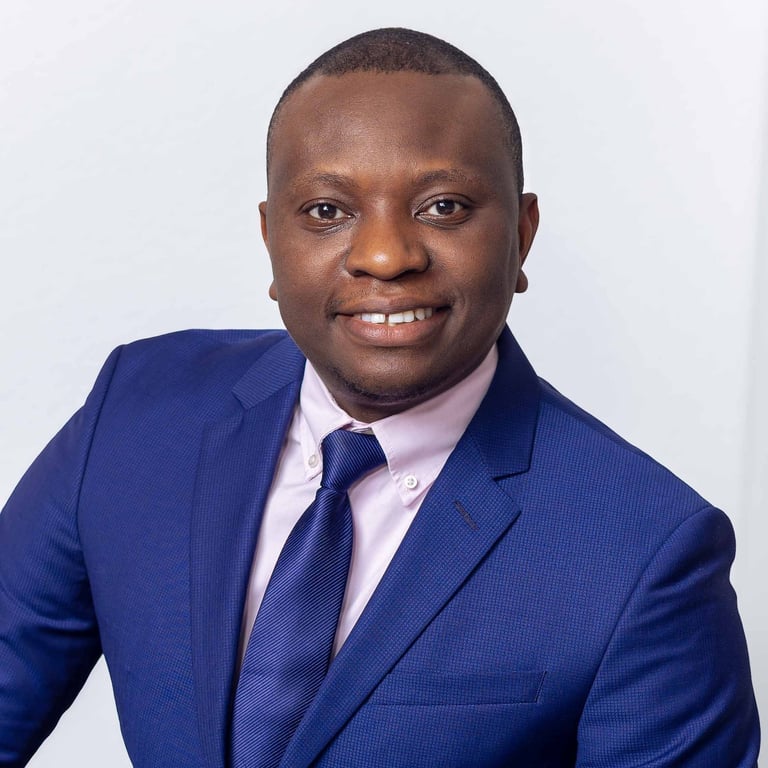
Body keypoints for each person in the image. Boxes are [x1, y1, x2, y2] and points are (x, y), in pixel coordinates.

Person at [0, 26, 759, 768]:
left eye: (444, 207)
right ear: (270, 239)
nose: (387, 256)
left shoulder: (645, 550)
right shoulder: (134, 414)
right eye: (327, 212)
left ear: (522, 235)